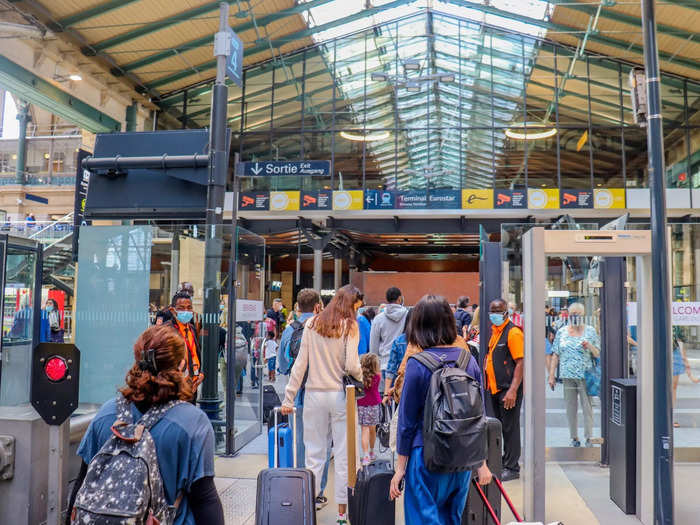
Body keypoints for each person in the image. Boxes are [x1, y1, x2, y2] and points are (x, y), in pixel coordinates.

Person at [67, 325, 224, 525]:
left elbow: (81, 485)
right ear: (182, 366)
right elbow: (204, 499)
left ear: (137, 361)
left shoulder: (106, 414)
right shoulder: (193, 423)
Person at [389, 295, 492, 525]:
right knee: (451, 519)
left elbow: (406, 422)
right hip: (461, 460)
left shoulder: (417, 364)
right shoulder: (468, 361)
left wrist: (400, 469)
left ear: (419, 326)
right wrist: (481, 463)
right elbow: (479, 415)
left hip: (424, 457)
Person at [280, 284, 363, 525]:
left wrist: (289, 397)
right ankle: (340, 515)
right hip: (340, 396)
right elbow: (351, 364)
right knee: (345, 455)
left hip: (314, 395)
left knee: (314, 455)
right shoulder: (350, 326)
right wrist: (361, 375)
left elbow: (299, 365)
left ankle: (307, 509)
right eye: (357, 305)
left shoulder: (312, 324)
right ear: (350, 304)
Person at [278, 288, 332, 506]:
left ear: (298, 307)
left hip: (299, 394)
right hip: (323, 392)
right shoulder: (326, 327)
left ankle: (303, 488)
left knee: (301, 441)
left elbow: (283, 365)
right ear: (318, 305)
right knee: (323, 442)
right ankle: (319, 491)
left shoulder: (290, 330)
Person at [548, 302, 600, 448]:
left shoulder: (590, 331)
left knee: (587, 407)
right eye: (572, 315)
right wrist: (551, 375)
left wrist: (589, 346)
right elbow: (555, 354)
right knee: (570, 408)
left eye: (578, 314)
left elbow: (597, 353)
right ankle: (574, 437)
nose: (575, 317)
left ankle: (589, 437)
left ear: (583, 315)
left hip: (585, 375)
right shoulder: (562, 331)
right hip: (567, 375)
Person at [485, 298, 524, 481]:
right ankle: (504, 461)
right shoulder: (495, 332)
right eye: (492, 311)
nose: (495, 314)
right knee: (502, 427)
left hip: (508, 389)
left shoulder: (513, 333)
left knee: (510, 428)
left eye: (498, 311)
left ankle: (512, 467)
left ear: (506, 313)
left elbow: (520, 362)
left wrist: (513, 390)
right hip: (496, 388)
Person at [162, 292, 205, 397]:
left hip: (193, 385)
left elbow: (196, 353)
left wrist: (201, 373)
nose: (186, 311)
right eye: (181, 308)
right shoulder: (166, 330)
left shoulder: (192, 329)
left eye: (189, 308)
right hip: (176, 387)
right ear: (173, 310)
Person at [370, 287, 408, 394]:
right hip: (404, 366)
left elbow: (373, 347)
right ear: (400, 299)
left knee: (384, 402)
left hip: (384, 366)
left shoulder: (378, 319)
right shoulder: (408, 315)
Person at [383, 309, 413, 399]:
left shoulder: (399, 341)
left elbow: (391, 369)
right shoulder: (427, 341)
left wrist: (385, 393)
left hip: (401, 388)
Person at [358, 353, 382, 465]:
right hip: (373, 405)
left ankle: (366, 455)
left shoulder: (359, 377)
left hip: (361, 405)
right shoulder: (377, 376)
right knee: (372, 430)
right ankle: (372, 452)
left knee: (364, 430)